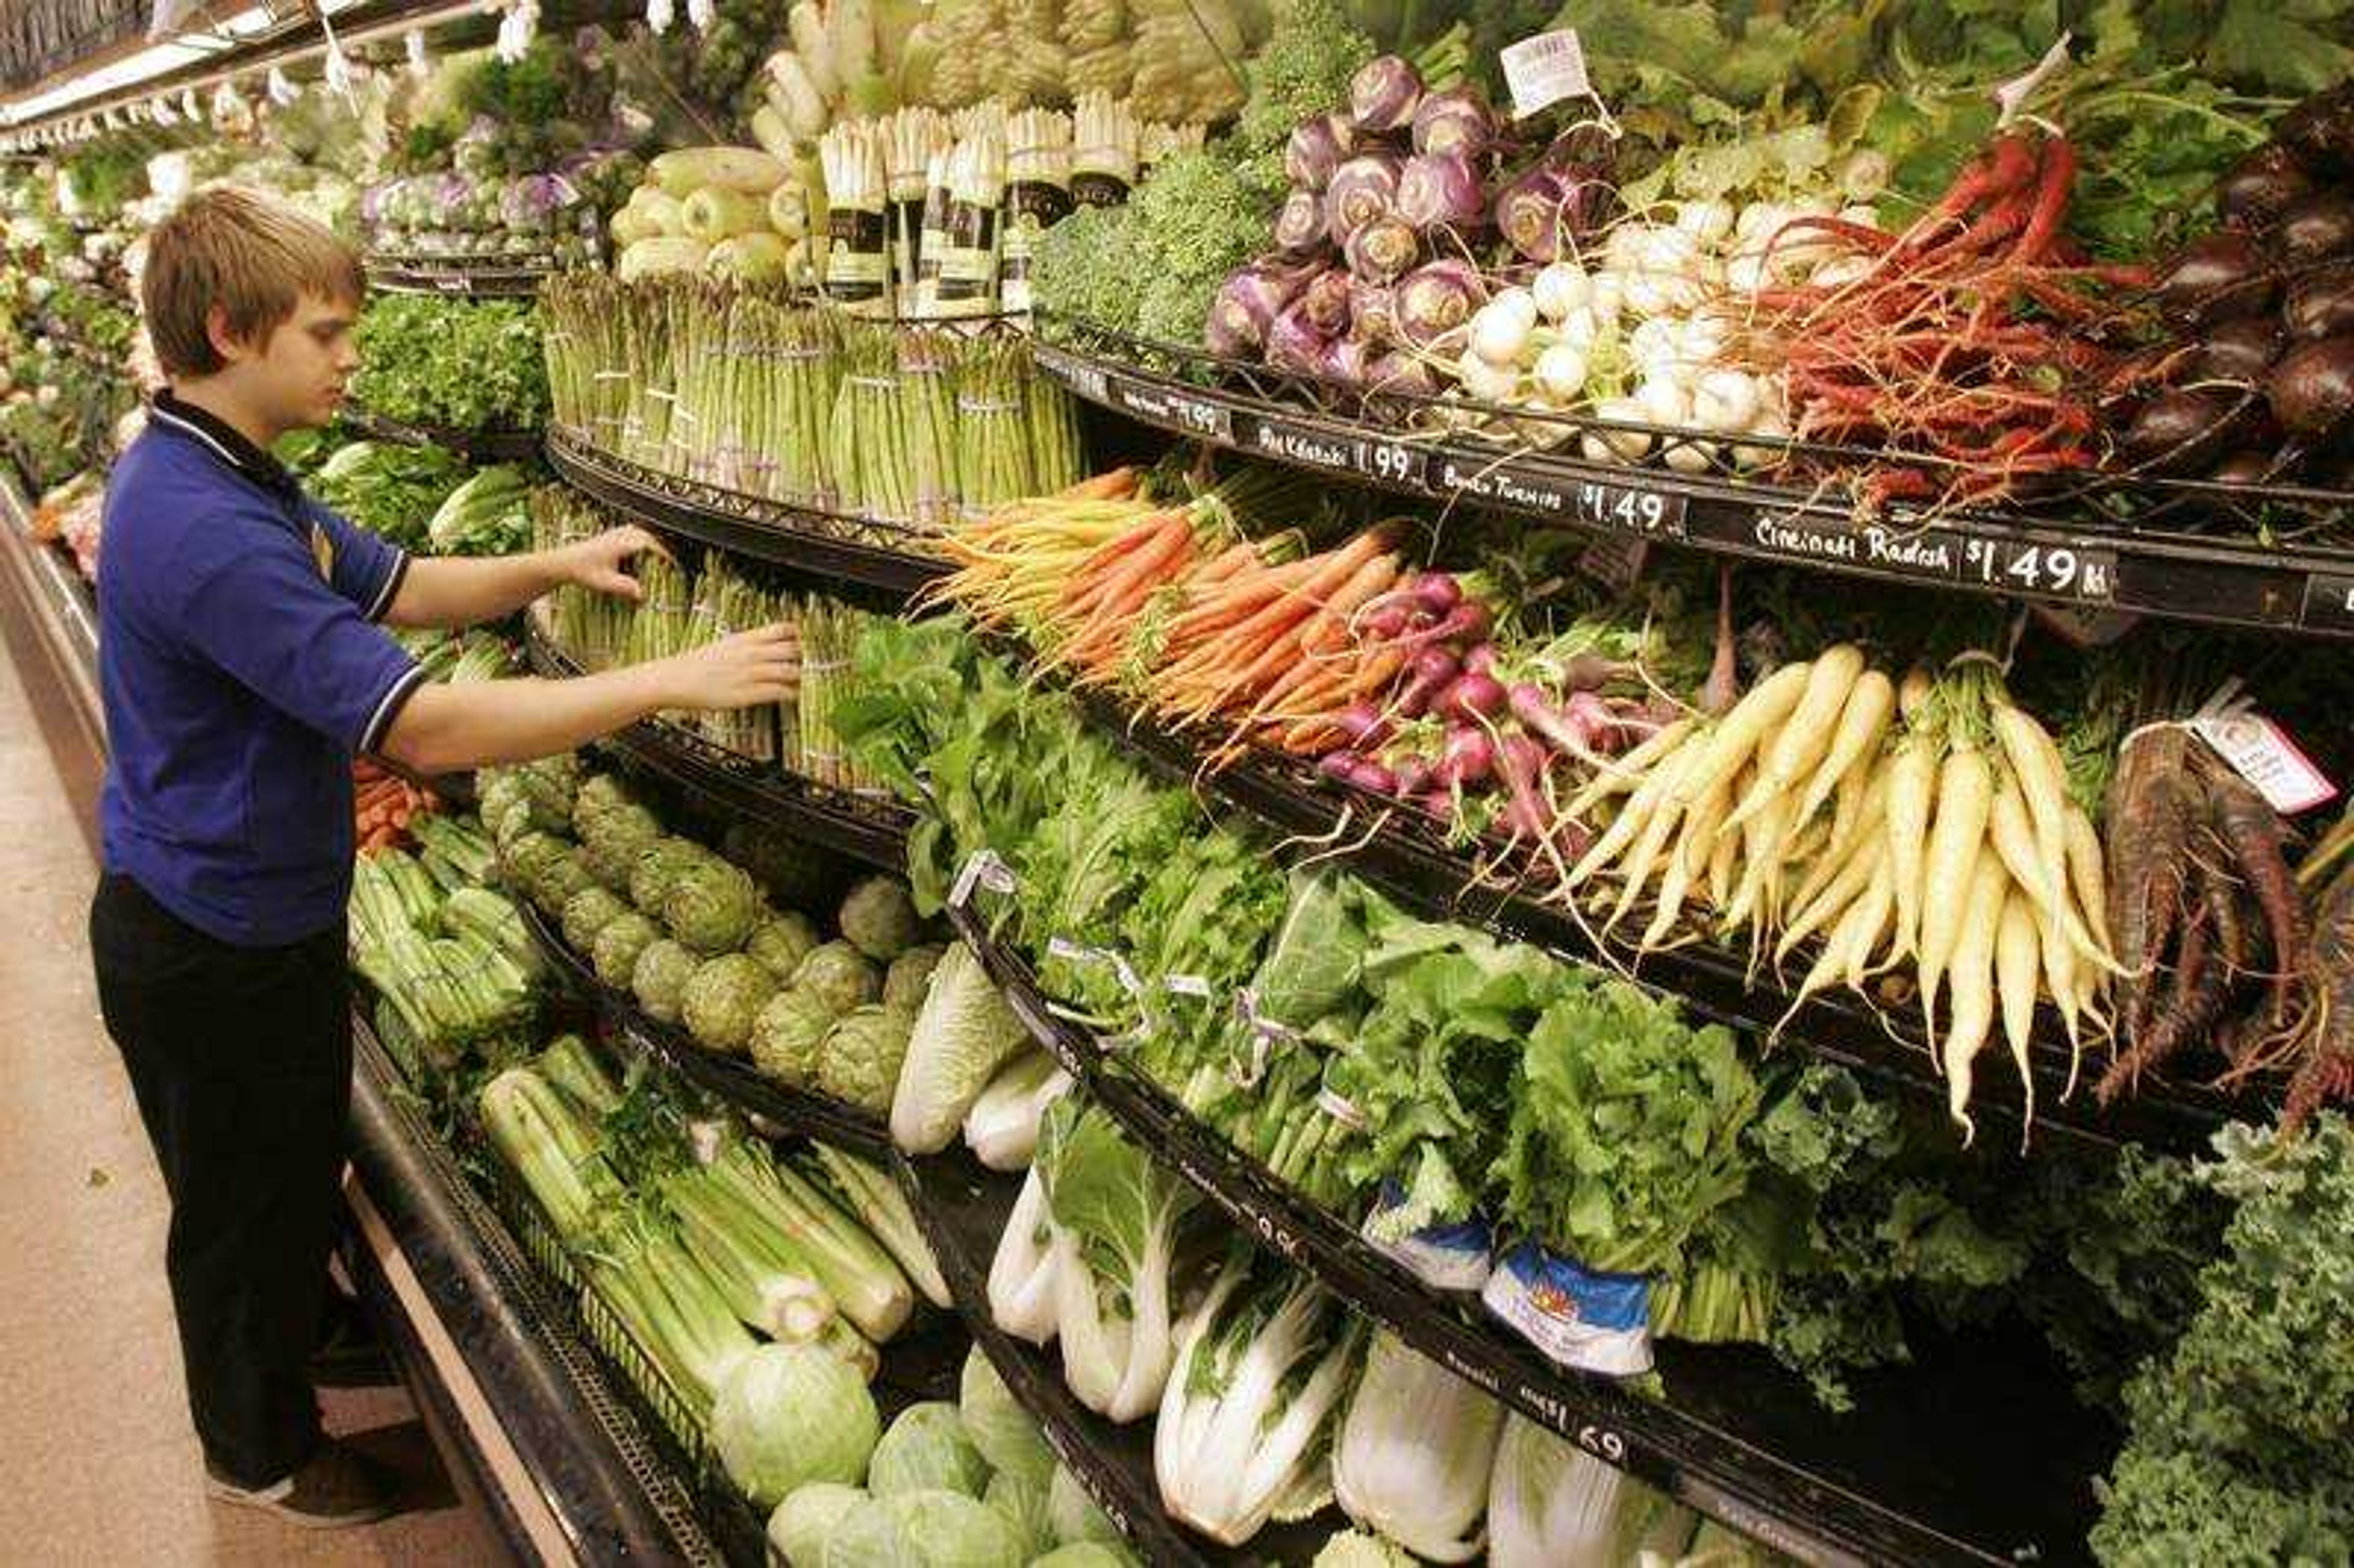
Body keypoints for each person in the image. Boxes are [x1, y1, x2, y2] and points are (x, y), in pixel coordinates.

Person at [86, 186, 799, 1528]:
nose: (353, 356)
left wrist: (556, 563)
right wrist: (669, 683)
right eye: (328, 333)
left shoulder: (229, 466)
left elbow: (401, 581)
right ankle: (259, 1447)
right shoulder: (201, 528)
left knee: (291, 1155)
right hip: (207, 937)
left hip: (260, 911)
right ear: (233, 332)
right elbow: (430, 723)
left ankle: (304, 1326)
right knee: (235, 1211)